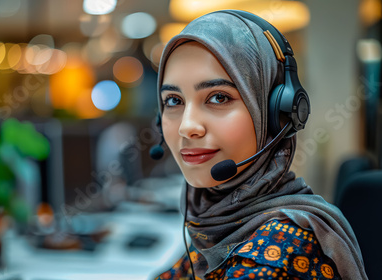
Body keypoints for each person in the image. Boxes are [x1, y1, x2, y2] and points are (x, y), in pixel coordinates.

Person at [151, 10, 367, 280]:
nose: (187, 126)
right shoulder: (218, 223)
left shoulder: (276, 253)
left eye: (218, 97)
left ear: (277, 113)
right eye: (173, 100)